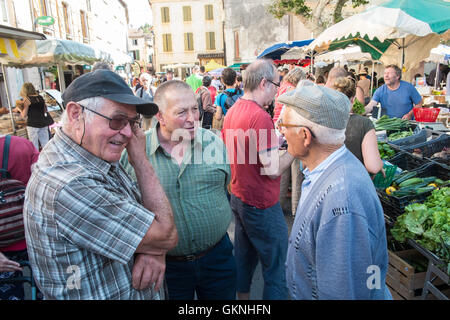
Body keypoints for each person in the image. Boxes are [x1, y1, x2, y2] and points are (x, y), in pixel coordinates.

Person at [23, 70, 178, 299]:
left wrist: (151, 248)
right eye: (117, 120)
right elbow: (165, 234)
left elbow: (149, 222)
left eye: (133, 123)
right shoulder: (71, 184)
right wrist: (140, 160)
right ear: (76, 114)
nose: (128, 133)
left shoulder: (92, 154)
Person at [120, 80, 236, 300]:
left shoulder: (215, 144)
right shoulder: (134, 153)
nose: (193, 118)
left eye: (195, 109)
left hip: (218, 259)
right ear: (160, 116)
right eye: (182, 112)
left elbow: (226, 187)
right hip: (166, 268)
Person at [277, 82, 392, 300]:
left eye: (284, 124)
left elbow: (340, 290)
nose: (281, 129)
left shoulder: (340, 199)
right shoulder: (327, 170)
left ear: (305, 136)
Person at [221, 59, 294, 300]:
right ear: (264, 83)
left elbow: (237, 152)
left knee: (244, 258)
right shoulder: (260, 117)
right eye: (276, 84)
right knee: (275, 267)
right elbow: (273, 170)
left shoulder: (233, 111)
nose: (277, 90)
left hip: (239, 197)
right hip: (261, 203)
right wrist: (294, 149)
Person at [0, 135, 39, 300]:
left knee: (9, 291)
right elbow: (40, 178)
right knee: (40, 285)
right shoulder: (23, 144)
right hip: (32, 235)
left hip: (3, 246)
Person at [272, 68, 307, 217]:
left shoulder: (281, 88)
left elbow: (277, 113)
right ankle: (296, 211)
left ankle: (278, 207)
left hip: (279, 134)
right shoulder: (297, 94)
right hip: (294, 137)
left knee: (282, 176)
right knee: (297, 177)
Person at [333, 76, 383, 175]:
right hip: (353, 182)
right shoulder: (364, 123)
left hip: (324, 184)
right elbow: (373, 167)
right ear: (354, 99)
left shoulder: (321, 119)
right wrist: (380, 165)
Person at [19, 83, 51, 150]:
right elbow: (45, 110)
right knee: (46, 145)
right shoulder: (40, 97)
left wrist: (19, 109)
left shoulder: (26, 99)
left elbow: (24, 115)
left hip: (32, 125)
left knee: (34, 146)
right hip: (43, 123)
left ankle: (36, 160)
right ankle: (47, 159)